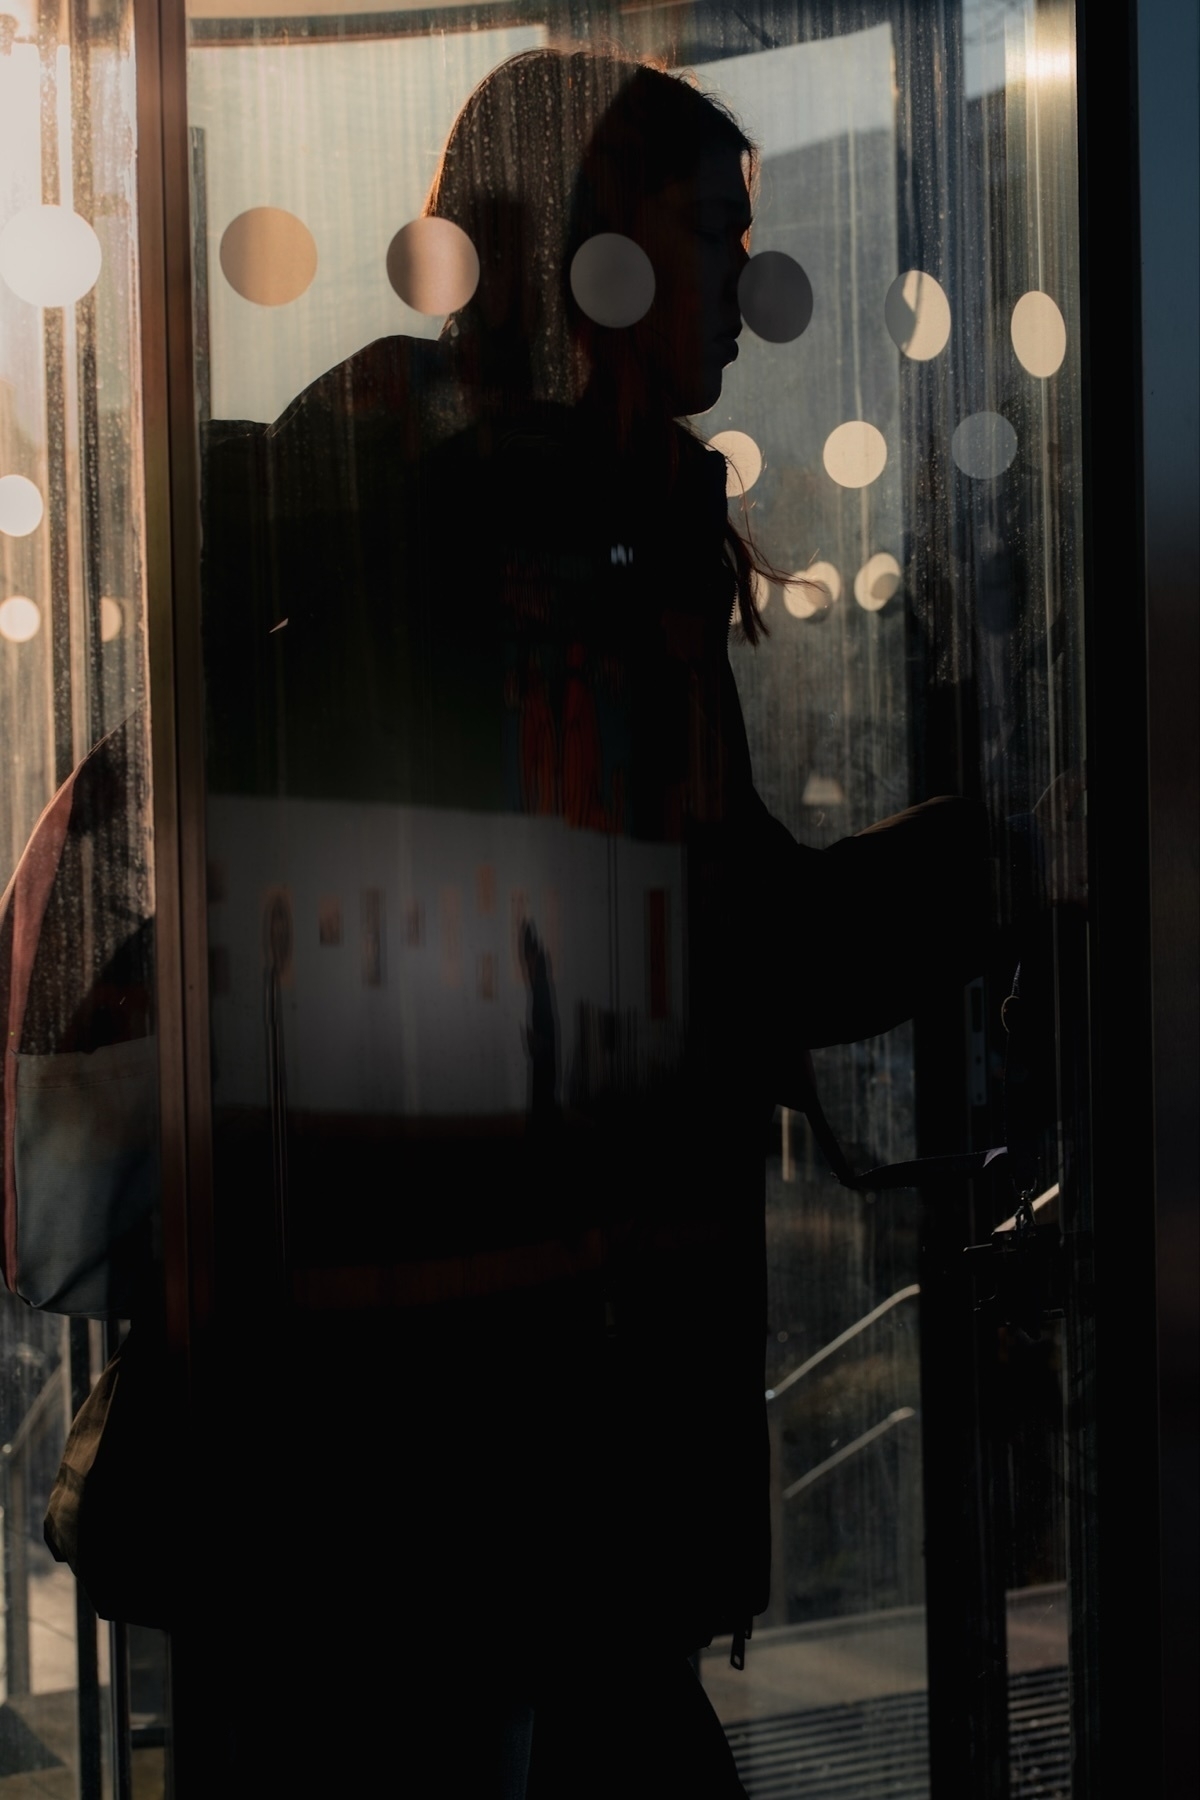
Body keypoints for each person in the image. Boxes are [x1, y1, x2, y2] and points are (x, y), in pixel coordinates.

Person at [196, 46, 992, 1793]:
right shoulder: (555, 546)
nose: (743, 295)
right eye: (710, 239)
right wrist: (981, 875)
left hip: (395, 1391)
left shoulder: (421, 484)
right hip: (534, 1398)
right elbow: (684, 944)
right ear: (594, 251)